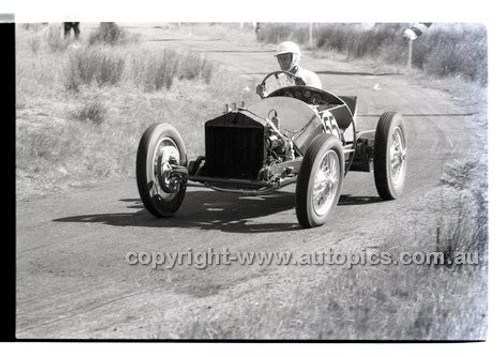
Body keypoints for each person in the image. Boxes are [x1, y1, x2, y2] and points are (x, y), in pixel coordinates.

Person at [256, 41, 322, 97]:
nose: (282, 62)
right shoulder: (277, 80)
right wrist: (263, 95)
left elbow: (317, 102)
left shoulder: (310, 77)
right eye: (279, 58)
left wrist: (304, 90)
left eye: (285, 58)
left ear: (295, 58)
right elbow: (271, 102)